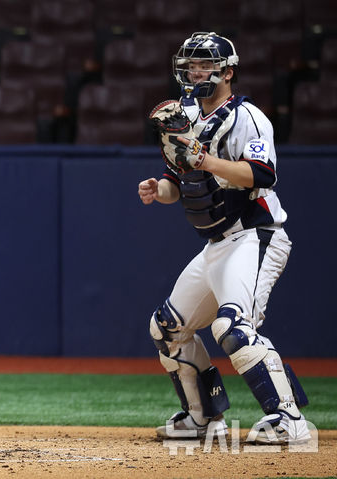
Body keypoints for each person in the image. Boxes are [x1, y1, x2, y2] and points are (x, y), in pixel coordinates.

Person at [138, 32, 310, 444]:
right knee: (165, 329)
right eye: (190, 64)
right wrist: (157, 191)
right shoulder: (188, 115)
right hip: (217, 245)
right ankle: (202, 418)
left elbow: (262, 175)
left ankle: (290, 420)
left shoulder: (248, 117)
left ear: (227, 71)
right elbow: (176, 179)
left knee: (233, 327)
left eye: (203, 64)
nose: (194, 71)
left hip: (257, 235)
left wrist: (204, 159)